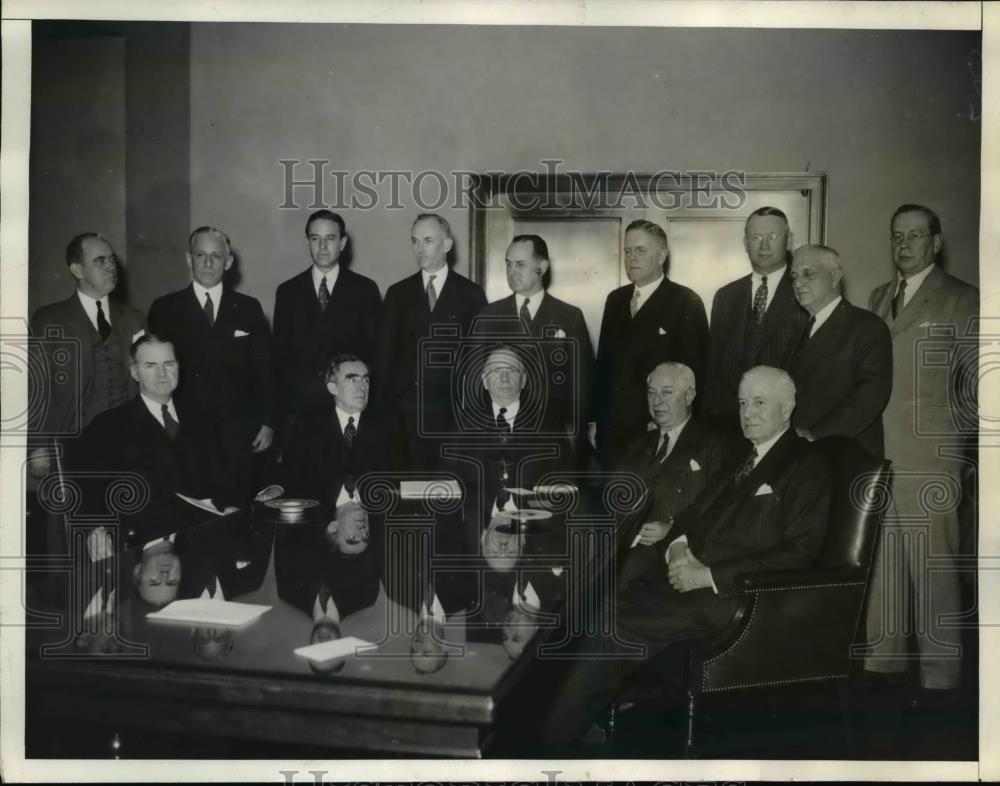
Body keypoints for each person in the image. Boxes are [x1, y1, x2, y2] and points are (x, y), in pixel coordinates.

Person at [541, 366, 832, 750]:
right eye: (743, 402)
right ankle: (552, 726)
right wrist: (678, 549)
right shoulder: (743, 458)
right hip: (684, 585)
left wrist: (708, 574)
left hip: (736, 601)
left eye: (759, 403)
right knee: (589, 610)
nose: (748, 412)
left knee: (605, 632)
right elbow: (690, 518)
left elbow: (799, 552)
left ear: (788, 406)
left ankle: (538, 746)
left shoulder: (806, 464)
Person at [863, 204, 979, 703]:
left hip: (932, 457)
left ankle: (939, 678)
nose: (904, 245)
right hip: (880, 455)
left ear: (935, 242)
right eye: (896, 236)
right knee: (883, 565)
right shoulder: (876, 297)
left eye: (914, 236)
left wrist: (959, 450)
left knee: (934, 569)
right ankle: (882, 662)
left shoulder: (961, 299)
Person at [78, 334, 239, 552]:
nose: (162, 373)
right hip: (142, 540)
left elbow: (222, 476)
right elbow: (90, 485)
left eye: (168, 364)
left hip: (201, 536)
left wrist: (230, 505)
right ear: (135, 372)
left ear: (179, 367)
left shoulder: (202, 419)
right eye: (151, 366)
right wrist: (95, 528)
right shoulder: (109, 424)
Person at [147, 226, 274, 502]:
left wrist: (267, 421)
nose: (207, 263)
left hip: (239, 431)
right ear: (189, 259)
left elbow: (264, 369)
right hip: (186, 428)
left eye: (216, 256)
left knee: (238, 509)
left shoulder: (249, 307)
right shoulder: (165, 308)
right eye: (200, 255)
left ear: (228, 262)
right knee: (192, 507)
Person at [589, 219, 709, 467]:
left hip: (657, 429)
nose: (631, 257)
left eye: (640, 250)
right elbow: (602, 366)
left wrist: (671, 424)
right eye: (627, 251)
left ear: (662, 255)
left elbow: (694, 373)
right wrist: (594, 420)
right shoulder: (616, 299)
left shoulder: (685, 301)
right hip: (611, 433)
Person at [27, 233, 146, 482]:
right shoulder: (51, 319)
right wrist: (37, 446)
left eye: (112, 260)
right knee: (80, 518)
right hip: (74, 444)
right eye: (100, 261)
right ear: (77, 270)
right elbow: (35, 386)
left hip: (128, 444)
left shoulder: (134, 318)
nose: (111, 267)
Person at [374, 214, 487, 469]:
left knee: (449, 493)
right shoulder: (397, 294)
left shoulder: (471, 294)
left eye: (428, 240)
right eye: (414, 241)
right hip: (407, 419)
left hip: (454, 419)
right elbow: (383, 361)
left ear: (447, 245)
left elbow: (478, 361)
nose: (419, 249)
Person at [616, 362, 738, 585]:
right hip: (623, 547)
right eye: (651, 393)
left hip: (674, 555)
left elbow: (723, 510)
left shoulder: (714, 445)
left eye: (667, 392)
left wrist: (672, 529)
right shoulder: (636, 447)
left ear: (689, 395)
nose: (657, 401)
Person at [475, 234, 593, 436]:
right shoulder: (489, 315)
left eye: (520, 264)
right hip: (503, 431)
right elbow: (477, 379)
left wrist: (576, 437)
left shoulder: (569, 316)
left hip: (553, 434)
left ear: (543, 267)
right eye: (508, 264)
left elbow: (582, 385)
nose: (512, 272)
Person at [701, 207, 811, 423]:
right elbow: (713, 369)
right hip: (727, 426)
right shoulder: (726, 296)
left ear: (788, 241)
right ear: (745, 243)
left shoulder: (805, 292)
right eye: (756, 237)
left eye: (772, 236)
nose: (764, 245)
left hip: (782, 425)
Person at [272, 210, 381, 419]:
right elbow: (279, 356)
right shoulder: (288, 292)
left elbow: (374, 353)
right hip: (300, 409)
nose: (322, 246)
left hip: (349, 409)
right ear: (308, 243)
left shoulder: (365, 290)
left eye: (330, 238)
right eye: (315, 238)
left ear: (342, 243)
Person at [787, 244, 893, 457]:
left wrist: (813, 435)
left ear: (835, 277)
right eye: (794, 276)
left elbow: (869, 397)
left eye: (809, 274)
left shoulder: (867, 326)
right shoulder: (796, 329)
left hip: (845, 457)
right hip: (802, 458)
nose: (798, 283)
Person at [277, 354, 389, 510]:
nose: (362, 387)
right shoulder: (309, 426)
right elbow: (292, 472)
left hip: (372, 515)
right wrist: (276, 487)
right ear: (332, 387)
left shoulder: (386, 425)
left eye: (366, 380)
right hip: (324, 518)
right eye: (352, 379)